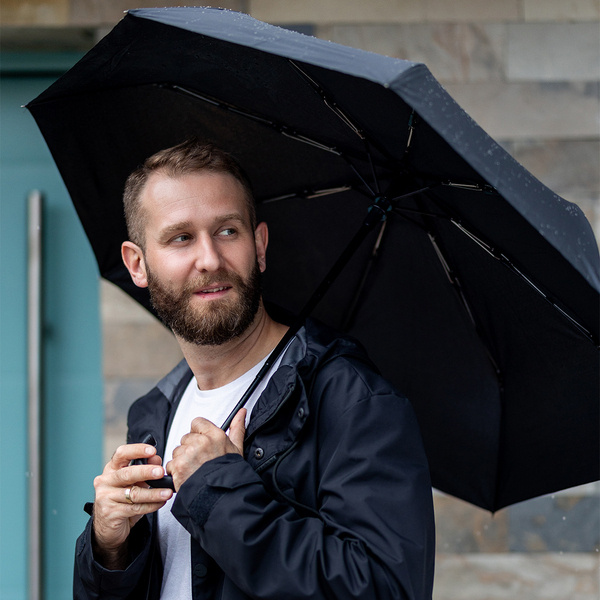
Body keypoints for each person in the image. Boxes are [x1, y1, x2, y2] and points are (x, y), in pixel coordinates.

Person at [73, 139, 435, 600]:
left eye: (227, 231)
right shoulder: (154, 412)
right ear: (137, 264)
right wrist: (108, 548)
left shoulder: (352, 400)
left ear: (259, 245)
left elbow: (385, 590)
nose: (210, 259)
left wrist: (219, 494)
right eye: (181, 238)